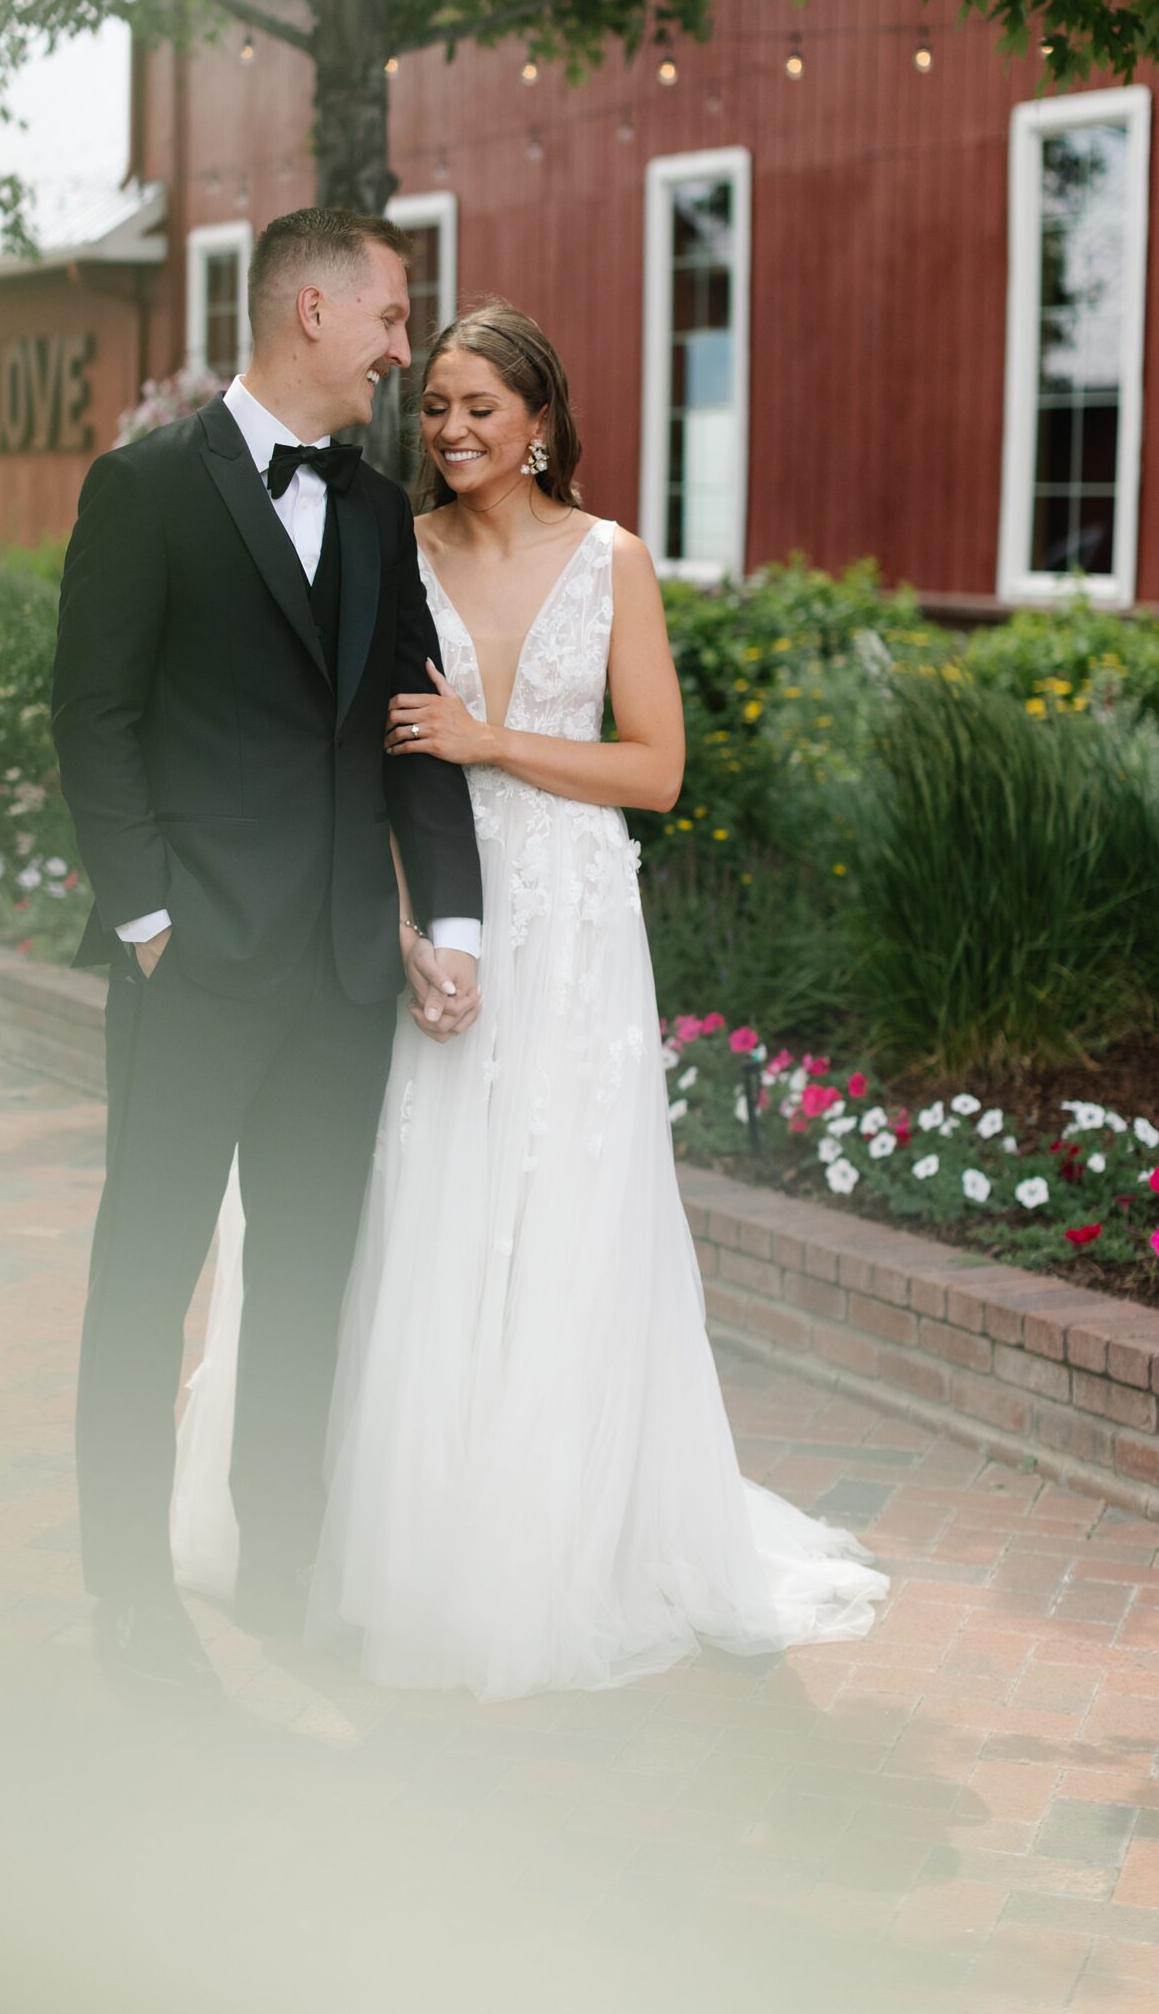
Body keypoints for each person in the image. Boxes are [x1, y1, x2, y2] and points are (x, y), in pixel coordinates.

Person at [172, 299, 888, 1699]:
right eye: (432, 406)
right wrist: (398, 921)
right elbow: (352, 762)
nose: (447, 432)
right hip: (429, 915)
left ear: (541, 423)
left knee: (557, 1214)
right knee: (409, 1207)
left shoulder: (610, 560)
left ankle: (549, 1539)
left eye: (478, 410)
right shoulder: (390, 544)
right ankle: (387, 1537)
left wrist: (492, 739)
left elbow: (657, 770)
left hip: (570, 926)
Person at [51, 207, 484, 1706]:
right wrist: (148, 919)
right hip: (195, 972)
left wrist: (453, 918)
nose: (399, 345)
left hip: (340, 982)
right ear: (310, 310)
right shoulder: (147, 489)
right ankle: (123, 1591)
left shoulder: (375, 513)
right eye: (387, 314)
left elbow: (411, 724)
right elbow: (92, 716)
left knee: (305, 1284)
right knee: (146, 1274)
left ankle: (283, 1577)